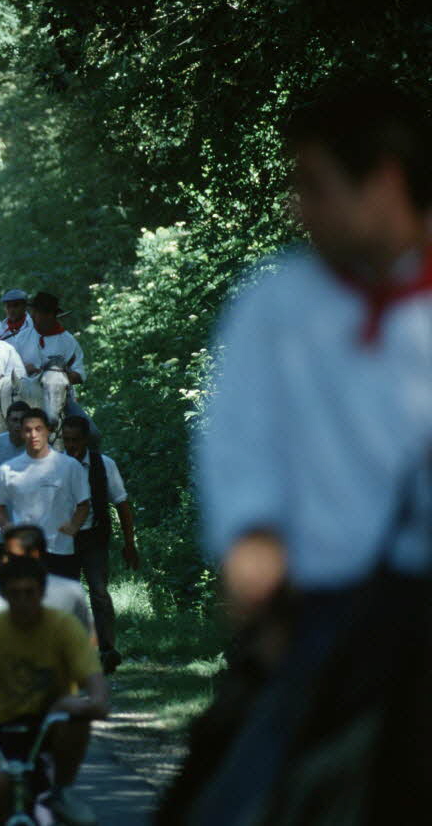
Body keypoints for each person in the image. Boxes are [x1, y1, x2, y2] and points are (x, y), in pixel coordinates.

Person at [177, 85, 432, 823]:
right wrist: (251, 535)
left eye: (314, 186)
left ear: (384, 180)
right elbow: (239, 441)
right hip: (321, 617)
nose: (298, 209)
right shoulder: (277, 302)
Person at [0, 557, 107, 826]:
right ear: (3, 595)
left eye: (30, 592)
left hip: (48, 722)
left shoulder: (63, 627)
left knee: (75, 714)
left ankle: (61, 791)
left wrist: (94, 702)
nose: (23, 601)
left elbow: (93, 679)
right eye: (15, 594)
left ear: (42, 592)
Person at [62, 416, 137, 672]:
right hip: (64, 539)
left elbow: (122, 504)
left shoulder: (104, 465)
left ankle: (107, 650)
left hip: (94, 536)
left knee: (99, 593)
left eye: (75, 440)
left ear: (86, 440)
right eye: (66, 440)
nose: (71, 445)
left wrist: (129, 543)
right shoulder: (55, 466)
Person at [0, 408, 90, 580]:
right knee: (27, 596)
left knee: (61, 597)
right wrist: (7, 528)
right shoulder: (7, 470)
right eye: (28, 430)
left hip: (60, 549)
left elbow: (83, 504)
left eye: (38, 429)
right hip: (24, 551)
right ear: (22, 433)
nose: (33, 435)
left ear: (49, 431)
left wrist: (74, 526)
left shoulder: (69, 466)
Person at [0, 525, 94, 636]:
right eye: (4, 555)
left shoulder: (70, 593)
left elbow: (84, 637)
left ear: (34, 554)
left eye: (11, 555)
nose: (4, 560)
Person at [10, 292, 85, 386]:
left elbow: (80, 375)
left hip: (58, 393)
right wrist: (22, 370)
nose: (32, 316)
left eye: (36, 312)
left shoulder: (68, 342)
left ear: (49, 315)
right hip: (26, 392)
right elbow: (9, 370)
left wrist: (58, 376)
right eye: (32, 311)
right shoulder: (22, 337)